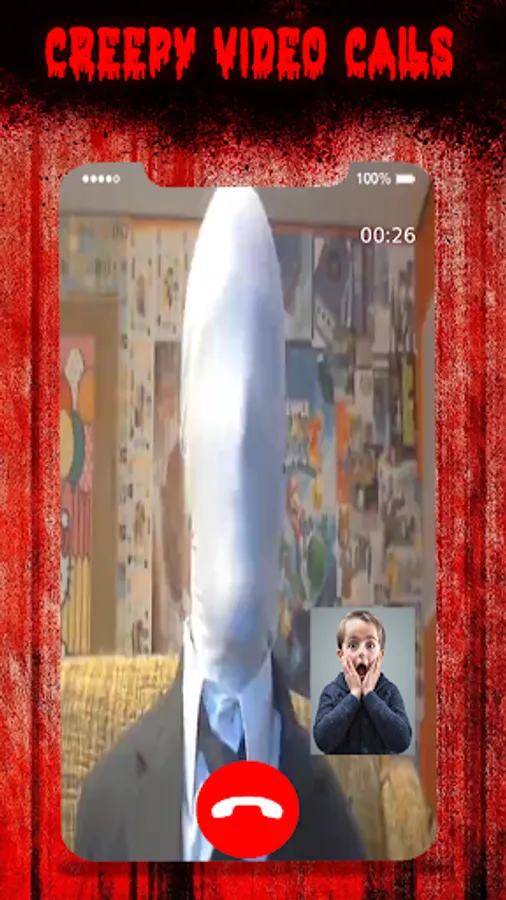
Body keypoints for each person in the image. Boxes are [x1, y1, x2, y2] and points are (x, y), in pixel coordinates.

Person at [74, 187, 366, 863]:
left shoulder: (340, 837)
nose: (235, 446)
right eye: (213, 427)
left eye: (258, 434)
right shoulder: (102, 809)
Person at [313, 610, 412, 756]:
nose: (362, 653)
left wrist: (369, 694)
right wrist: (354, 695)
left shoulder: (390, 691)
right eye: (353, 645)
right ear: (341, 655)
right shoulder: (331, 691)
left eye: (370, 646)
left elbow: (402, 741)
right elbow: (322, 741)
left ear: (380, 655)